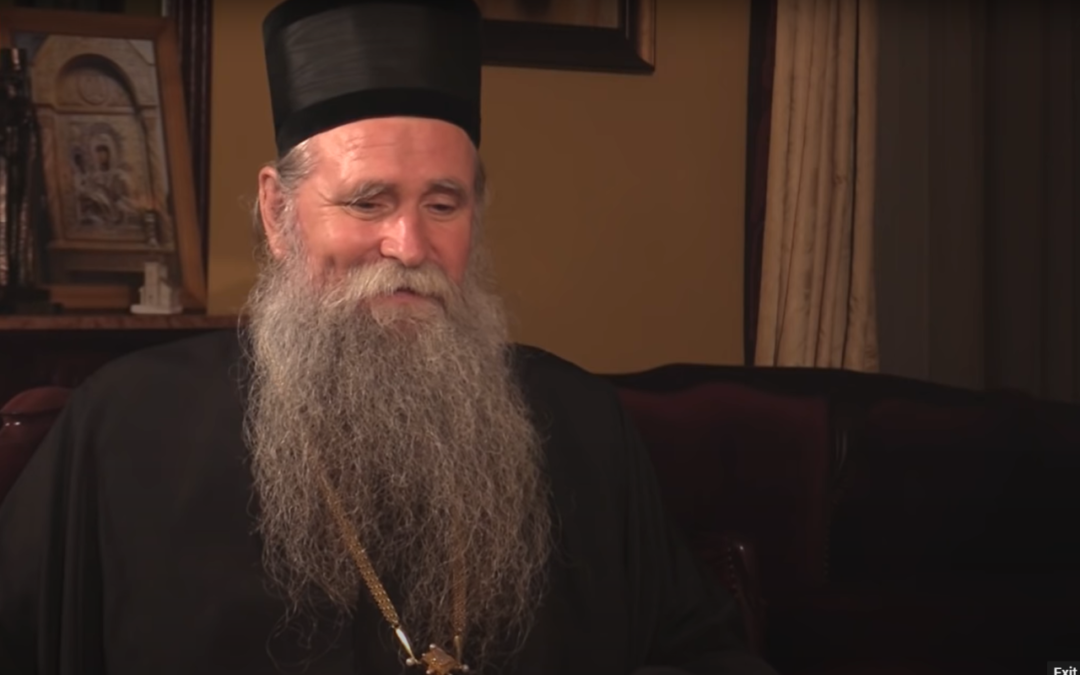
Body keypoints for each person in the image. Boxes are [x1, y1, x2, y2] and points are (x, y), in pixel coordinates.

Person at [0, 1, 778, 673]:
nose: (409, 245)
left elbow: (705, 652)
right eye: (368, 202)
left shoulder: (580, 424)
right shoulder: (126, 427)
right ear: (278, 213)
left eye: (443, 204)